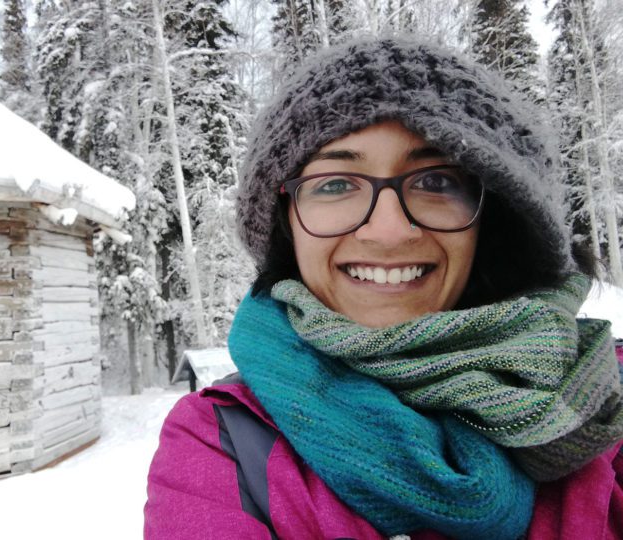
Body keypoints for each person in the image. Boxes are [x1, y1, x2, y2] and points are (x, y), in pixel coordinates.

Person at [144, 34, 623, 539]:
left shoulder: (605, 398)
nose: (389, 231)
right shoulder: (223, 442)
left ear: (500, 215)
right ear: (286, 221)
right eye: (335, 184)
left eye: (436, 181)